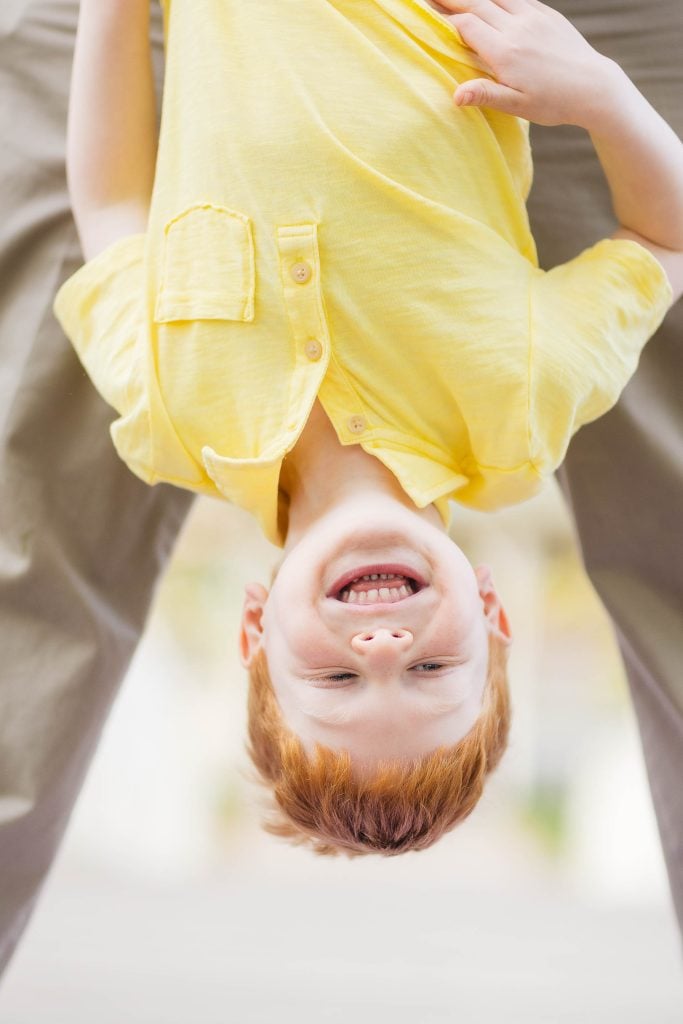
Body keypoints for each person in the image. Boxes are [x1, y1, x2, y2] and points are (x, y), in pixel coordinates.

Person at [1, 0, 681, 969]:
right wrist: (601, 97)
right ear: (491, 615)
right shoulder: (520, 401)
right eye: (428, 671)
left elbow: (111, 210)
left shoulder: (170, 411)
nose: (379, 644)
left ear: (252, 628)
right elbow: (663, 244)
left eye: (335, 678)